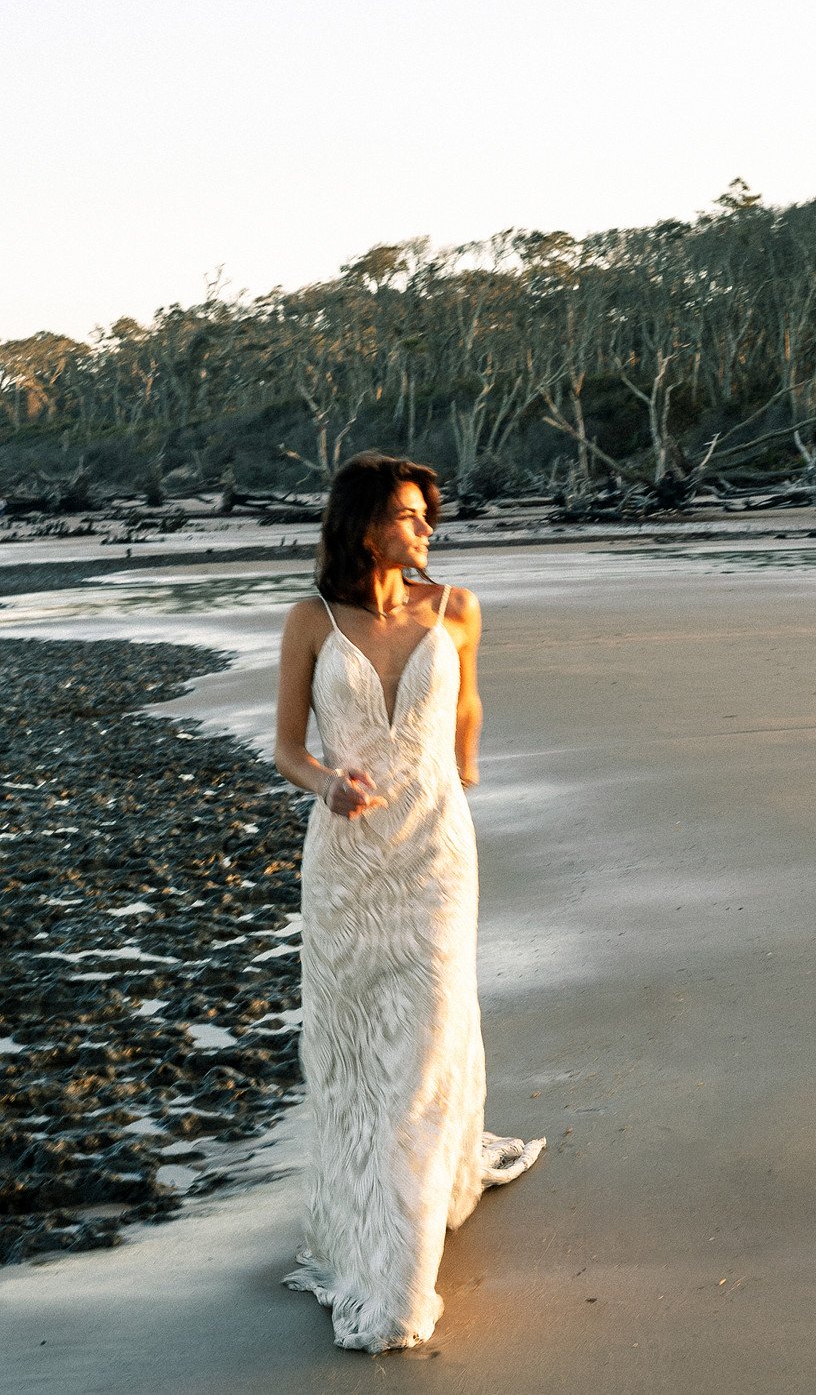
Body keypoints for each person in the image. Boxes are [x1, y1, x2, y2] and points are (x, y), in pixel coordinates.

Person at [273, 451, 544, 1352]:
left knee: (424, 1050)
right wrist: (327, 782)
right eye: (408, 513)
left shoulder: (457, 610)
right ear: (362, 523)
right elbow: (288, 750)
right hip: (345, 865)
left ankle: (398, 1279)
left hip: (433, 858)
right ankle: (370, 1209)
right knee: (356, 1053)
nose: (426, 527)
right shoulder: (310, 622)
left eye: (429, 513)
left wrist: (450, 777)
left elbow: (467, 721)